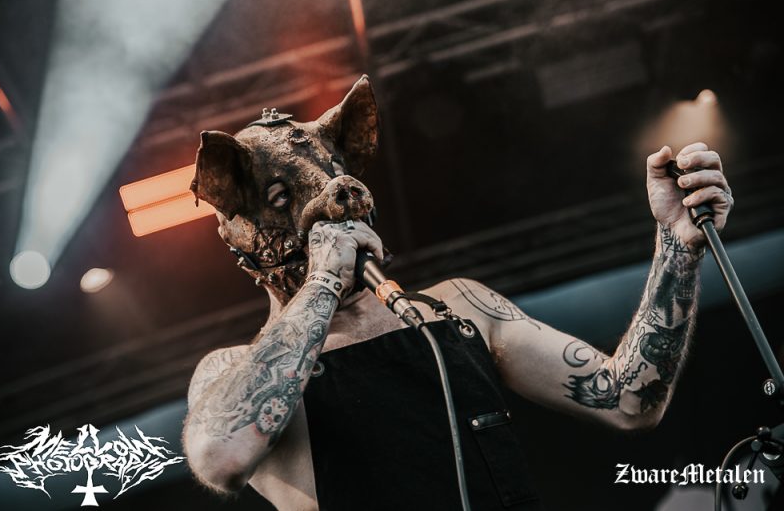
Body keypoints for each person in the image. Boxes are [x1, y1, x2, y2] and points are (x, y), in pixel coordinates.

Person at [182, 76, 733, 510]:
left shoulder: (458, 306)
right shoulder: (231, 371)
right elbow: (222, 457)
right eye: (281, 198)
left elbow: (628, 401)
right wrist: (324, 281)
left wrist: (676, 245)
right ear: (243, 236)